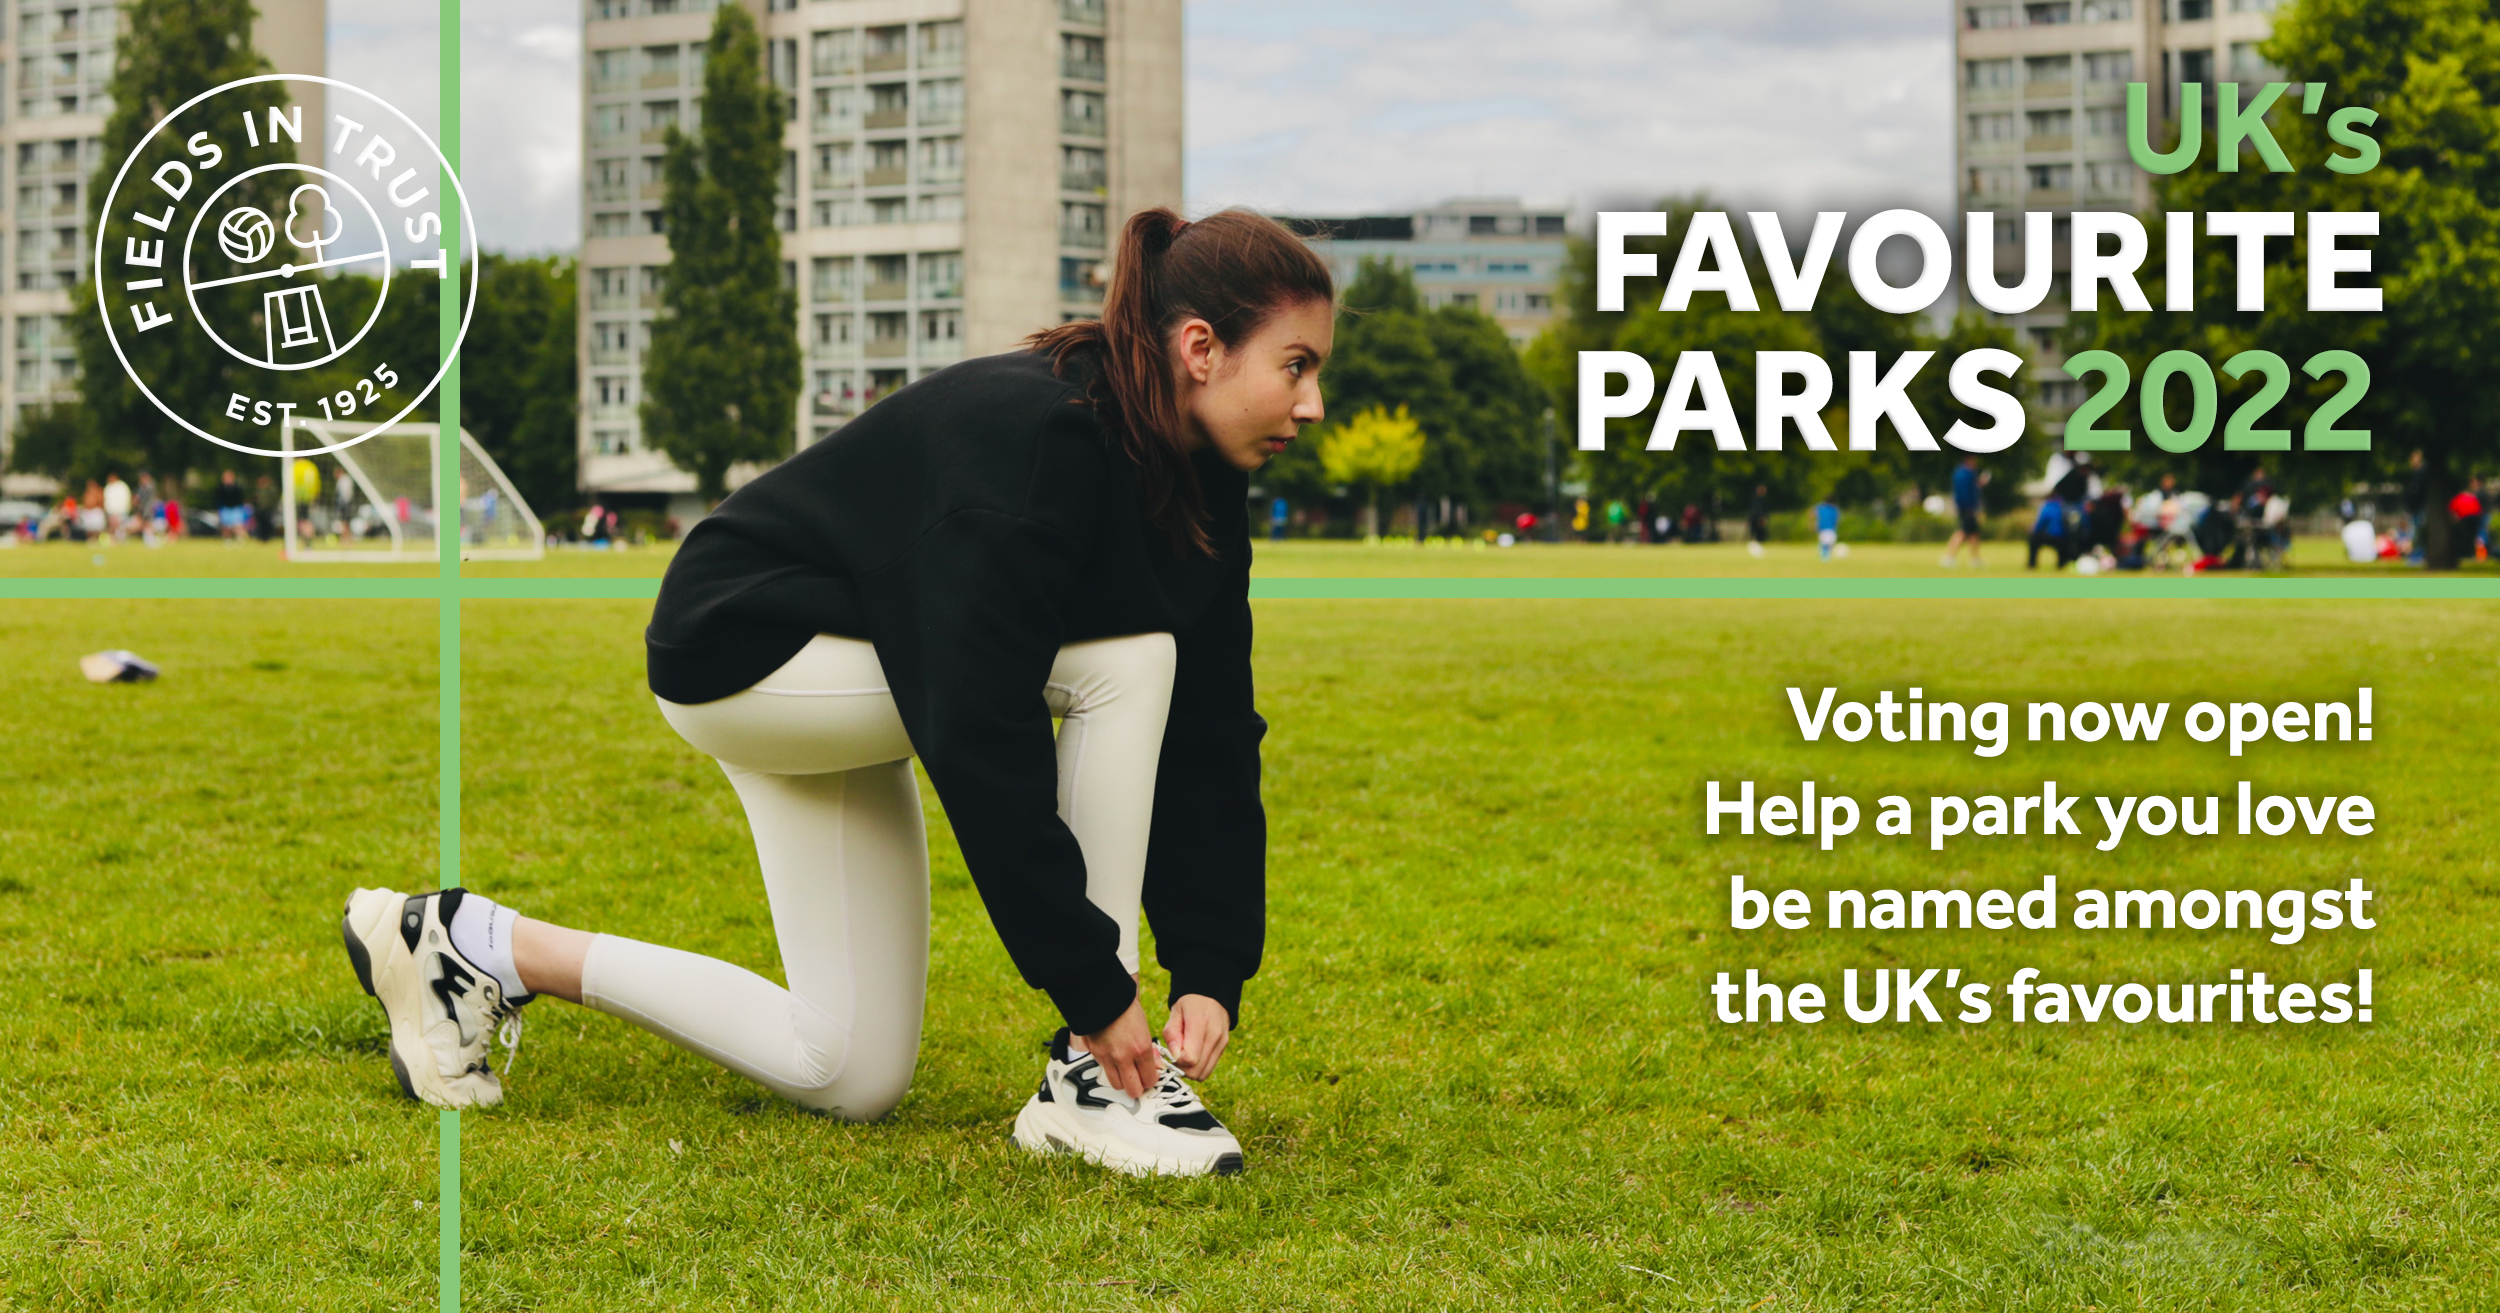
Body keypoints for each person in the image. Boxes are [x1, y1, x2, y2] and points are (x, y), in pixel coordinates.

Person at [340, 208, 1332, 1180]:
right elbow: (985, 735)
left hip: (853, 665)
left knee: (849, 1067)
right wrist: (1096, 992)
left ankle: (467, 944)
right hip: (744, 650)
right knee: (1129, 656)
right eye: (1296, 365)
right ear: (1201, 347)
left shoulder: (1201, 482)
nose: (1312, 402)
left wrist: (1209, 966)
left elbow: (1212, 730)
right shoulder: (1045, 442)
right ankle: (1091, 1081)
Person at [1940, 455, 1988, 568]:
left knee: (1974, 533)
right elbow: (1965, 493)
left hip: (1966, 507)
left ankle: (1975, 559)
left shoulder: (1963, 473)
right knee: (1962, 532)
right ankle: (1948, 557)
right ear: (1969, 460)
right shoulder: (1965, 474)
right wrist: (1970, 507)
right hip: (1967, 508)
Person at [213, 470, 250, 542]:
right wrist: (218, 509)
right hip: (225, 508)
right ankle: (228, 539)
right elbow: (218, 500)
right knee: (226, 526)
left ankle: (240, 538)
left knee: (237, 525)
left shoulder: (237, 488)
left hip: (236, 508)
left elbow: (241, 499)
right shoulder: (221, 488)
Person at [1746, 484, 1770, 558]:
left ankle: (1757, 547)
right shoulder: (1756, 499)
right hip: (1756, 519)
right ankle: (1754, 548)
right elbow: (1755, 511)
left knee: (1760, 535)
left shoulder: (1761, 499)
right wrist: (1760, 518)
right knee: (1755, 534)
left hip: (1757, 519)